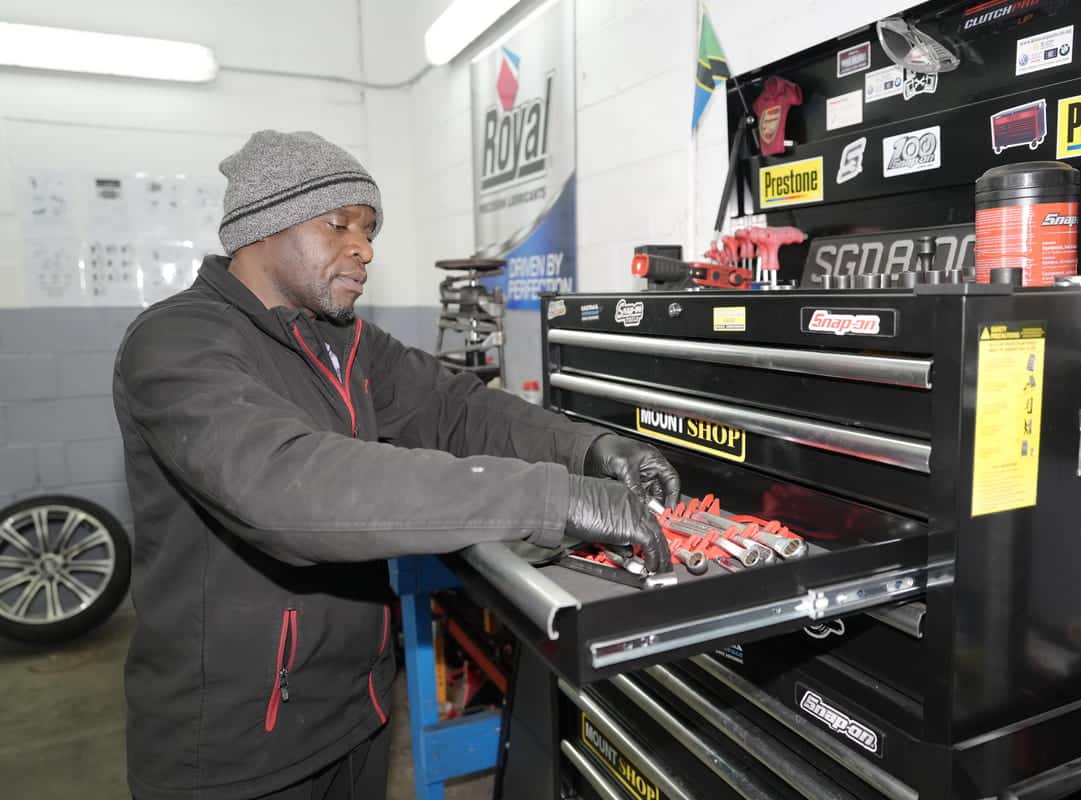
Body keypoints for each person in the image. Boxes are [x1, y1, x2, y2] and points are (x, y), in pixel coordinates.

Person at [112, 130, 679, 800]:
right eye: (339, 225)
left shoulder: (343, 343)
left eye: (370, 229)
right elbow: (291, 487)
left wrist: (591, 448)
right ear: (263, 228)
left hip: (357, 714)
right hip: (234, 749)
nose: (365, 248)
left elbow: (459, 408)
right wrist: (556, 499)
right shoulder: (177, 344)